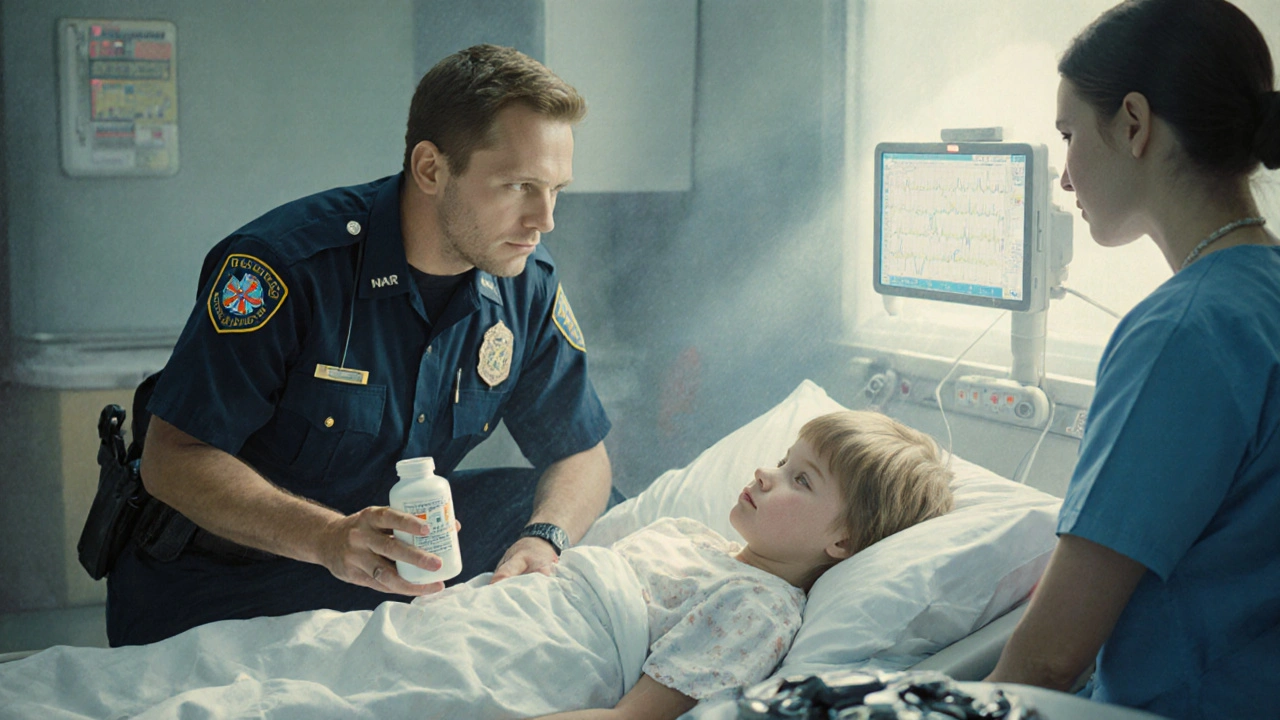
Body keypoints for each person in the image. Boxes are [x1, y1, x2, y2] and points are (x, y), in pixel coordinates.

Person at [106, 44, 620, 647]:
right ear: (431, 169)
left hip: (383, 561)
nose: (545, 219)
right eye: (519, 185)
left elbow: (581, 453)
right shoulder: (283, 268)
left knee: (575, 511)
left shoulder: (523, 284)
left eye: (557, 188)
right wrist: (327, 538)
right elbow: (173, 458)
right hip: (230, 576)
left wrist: (545, 538)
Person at [2, 411, 955, 720]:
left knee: (288, 701)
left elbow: (635, 717)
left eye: (799, 480)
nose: (763, 473)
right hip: (483, 611)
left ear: (843, 544)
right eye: (779, 458)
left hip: (520, 663)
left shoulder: (759, 613)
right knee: (254, 653)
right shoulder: (705, 543)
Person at [986, 1, 1280, 717]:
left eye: (1068, 136)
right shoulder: (1259, 297)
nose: (1063, 177)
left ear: (1134, 124)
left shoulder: (1183, 333)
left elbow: (1052, 658)